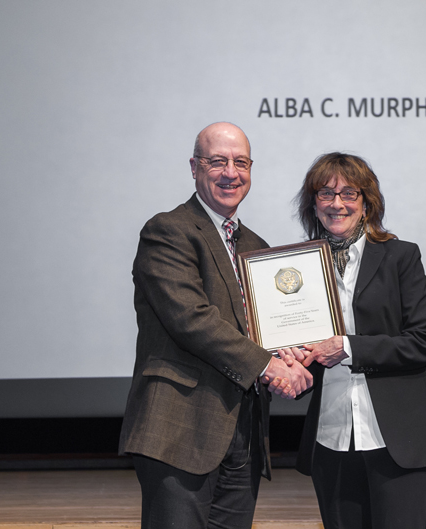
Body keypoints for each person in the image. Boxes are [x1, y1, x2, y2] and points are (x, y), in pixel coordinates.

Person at [119, 122, 313, 529]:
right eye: (217, 162)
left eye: (240, 163)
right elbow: (191, 319)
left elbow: (262, 331)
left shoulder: (256, 248)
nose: (231, 173)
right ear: (194, 167)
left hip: (244, 433)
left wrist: (289, 351)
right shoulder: (168, 230)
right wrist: (269, 365)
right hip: (179, 429)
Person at [282, 152, 426, 529]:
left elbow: (423, 341)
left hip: (398, 439)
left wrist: (346, 347)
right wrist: (289, 360)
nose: (337, 203)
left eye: (349, 193)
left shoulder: (399, 256)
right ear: (313, 204)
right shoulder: (298, 268)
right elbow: (297, 343)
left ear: (367, 203)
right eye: (325, 193)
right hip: (331, 439)